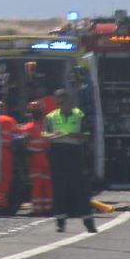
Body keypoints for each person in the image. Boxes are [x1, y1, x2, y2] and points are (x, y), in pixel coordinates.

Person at [43, 89, 96, 233]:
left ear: (69, 100)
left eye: (63, 101)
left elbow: (87, 135)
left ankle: (88, 221)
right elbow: (44, 135)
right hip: (57, 152)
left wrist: (73, 135)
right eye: (58, 102)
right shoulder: (51, 117)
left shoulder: (79, 115)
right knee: (59, 188)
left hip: (74, 152)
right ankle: (60, 221)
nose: (61, 104)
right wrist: (54, 135)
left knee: (79, 188)